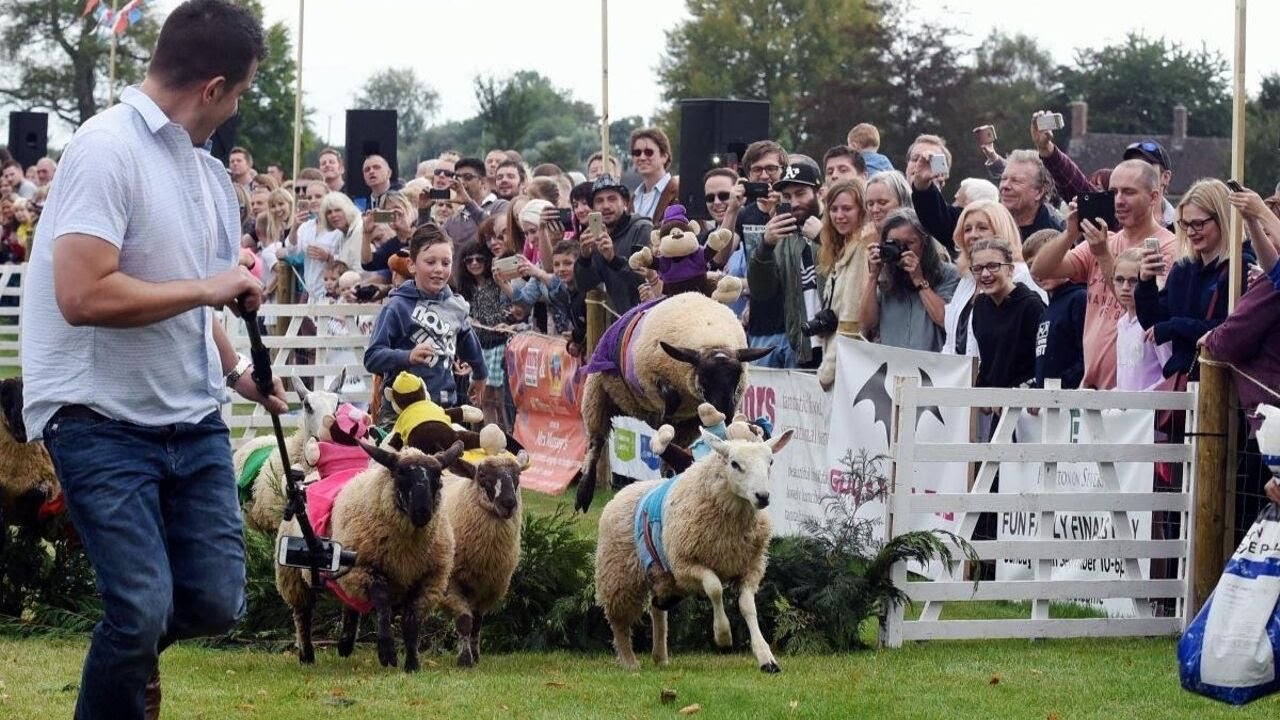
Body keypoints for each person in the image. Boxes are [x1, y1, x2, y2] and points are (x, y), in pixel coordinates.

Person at [19, 3, 286, 718]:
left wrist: (237, 373)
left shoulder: (202, 174)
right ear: (213, 87)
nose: (237, 108)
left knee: (217, 599)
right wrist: (211, 285)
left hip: (191, 413)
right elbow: (81, 293)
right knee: (139, 610)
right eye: (240, 93)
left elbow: (196, 297)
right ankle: (129, 664)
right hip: (96, 415)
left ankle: (128, 665)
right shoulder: (105, 148)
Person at [1030, 159, 1176, 389]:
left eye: (1129, 192)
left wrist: (1102, 255)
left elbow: (1143, 311)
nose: (1119, 200)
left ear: (1154, 197)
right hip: (1092, 385)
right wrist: (1070, 233)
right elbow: (1041, 269)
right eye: (1113, 192)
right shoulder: (1105, 240)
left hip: (1136, 389)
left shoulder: (1166, 248)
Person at [1134, 179, 1251, 382]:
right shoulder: (1183, 268)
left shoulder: (1242, 266)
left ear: (1222, 219)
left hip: (1225, 382)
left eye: (1198, 224)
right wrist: (1145, 283)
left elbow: (1233, 330)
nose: (1190, 232)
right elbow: (1154, 323)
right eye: (1185, 224)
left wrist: (1176, 326)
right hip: (1183, 380)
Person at [364, 224, 487, 410]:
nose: (439, 269)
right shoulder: (397, 307)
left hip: (444, 406)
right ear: (412, 265)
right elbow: (372, 358)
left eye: (446, 263)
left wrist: (480, 375)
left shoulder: (456, 306)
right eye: (431, 262)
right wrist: (407, 356)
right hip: (401, 409)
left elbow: (470, 345)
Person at [942, 201, 1045, 358]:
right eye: (967, 229)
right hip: (960, 378)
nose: (973, 235)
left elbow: (1040, 332)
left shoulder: (1023, 274)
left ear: (1001, 231)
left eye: (982, 227)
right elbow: (951, 341)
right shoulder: (967, 279)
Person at [858, 208, 959, 351]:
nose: (902, 249)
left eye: (909, 243)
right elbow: (866, 323)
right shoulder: (885, 274)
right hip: (893, 364)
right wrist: (873, 277)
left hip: (932, 366)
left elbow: (945, 320)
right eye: (894, 243)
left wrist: (919, 280)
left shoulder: (948, 273)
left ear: (924, 243)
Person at [814, 178, 871, 390]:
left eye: (847, 208)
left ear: (862, 211)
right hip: (842, 362)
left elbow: (851, 321)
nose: (839, 216)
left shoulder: (861, 250)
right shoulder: (843, 248)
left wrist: (827, 372)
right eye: (834, 209)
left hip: (848, 369)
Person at [969, 238, 1045, 389]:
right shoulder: (980, 305)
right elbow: (989, 360)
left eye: (993, 266)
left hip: (1025, 404)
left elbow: (1043, 361)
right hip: (994, 404)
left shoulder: (1031, 306)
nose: (985, 274)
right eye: (977, 268)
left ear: (1010, 269)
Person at [574, 174, 650, 317]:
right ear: (593, 208)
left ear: (625, 202)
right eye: (599, 201)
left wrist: (613, 259)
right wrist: (584, 258)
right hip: (621, 322)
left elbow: (645, 280)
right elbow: (586, 286)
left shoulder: (642, 229)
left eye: (612, 199)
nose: (606, 206)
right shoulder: (597, 237)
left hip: (646, 318)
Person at [454, 239, 510, 428]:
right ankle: (489, 434)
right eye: (469, 260)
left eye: (480, 259)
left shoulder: (496, 283)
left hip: (499, 343)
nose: (475, 264)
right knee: (483, 396)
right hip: (478, 346)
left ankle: (505, 435)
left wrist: (495, 322)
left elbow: (506, 309)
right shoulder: (464, 288)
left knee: (500, 396)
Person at [1023, 229, 1086, 389]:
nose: (1041, 271)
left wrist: (1059, 387)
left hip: (1069, 400)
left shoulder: (1079, 298)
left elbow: (1086, 357)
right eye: (1033, 266)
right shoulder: (1046, 311)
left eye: (1047, 262)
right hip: (1048, 403)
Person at [1112, 248, 1170, 391]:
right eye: (1119, 280)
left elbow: (1169, 371)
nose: (1125, 287)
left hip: (1149, 409)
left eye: (1133, 281)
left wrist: (1141, 401)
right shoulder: (1121, 323)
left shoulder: (1155, 320)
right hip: (1125, 408)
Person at [630, 127, 679, 224]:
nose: (642, 157)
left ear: (664, 156)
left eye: (648, 152)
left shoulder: (680, 191)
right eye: (637, 153)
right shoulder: (633, 198)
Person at [440, 156, 488, 244]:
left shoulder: (500, 205)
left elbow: (492, 229)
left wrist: (469, 203)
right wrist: (424, 211)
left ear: (483, 182)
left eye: (468, 177)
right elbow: (432, 241)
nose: (461, 182)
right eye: (458, 178)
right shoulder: (454, 219)